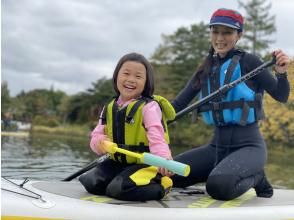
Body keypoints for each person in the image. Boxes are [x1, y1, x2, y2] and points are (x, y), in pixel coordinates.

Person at [171, 8, 290, 201]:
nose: (220, 37)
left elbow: (281, 95)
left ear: (239, 35)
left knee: (218, 188)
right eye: (215, 31)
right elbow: (177, 104)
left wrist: (281, 73)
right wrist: (148, 113)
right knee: (166, 174)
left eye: (227, 32)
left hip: (249, 147)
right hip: (215, 148)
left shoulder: (250, 61)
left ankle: (257, 175)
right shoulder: (206, 68)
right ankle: (217, 172)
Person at [79, 52, 176, 201]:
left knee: (119, 189)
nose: (131, 80)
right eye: (126, 73)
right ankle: (120, 181)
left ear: (146, 82)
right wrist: (99, 143)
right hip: (118, 162)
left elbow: (157, 138)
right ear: (117, 76)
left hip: (144, 165)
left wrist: (163, 159)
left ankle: (162, 184)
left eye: (138, 76)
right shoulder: (109, 107)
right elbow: (96, 135)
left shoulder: (149, 107)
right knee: (91, 183)